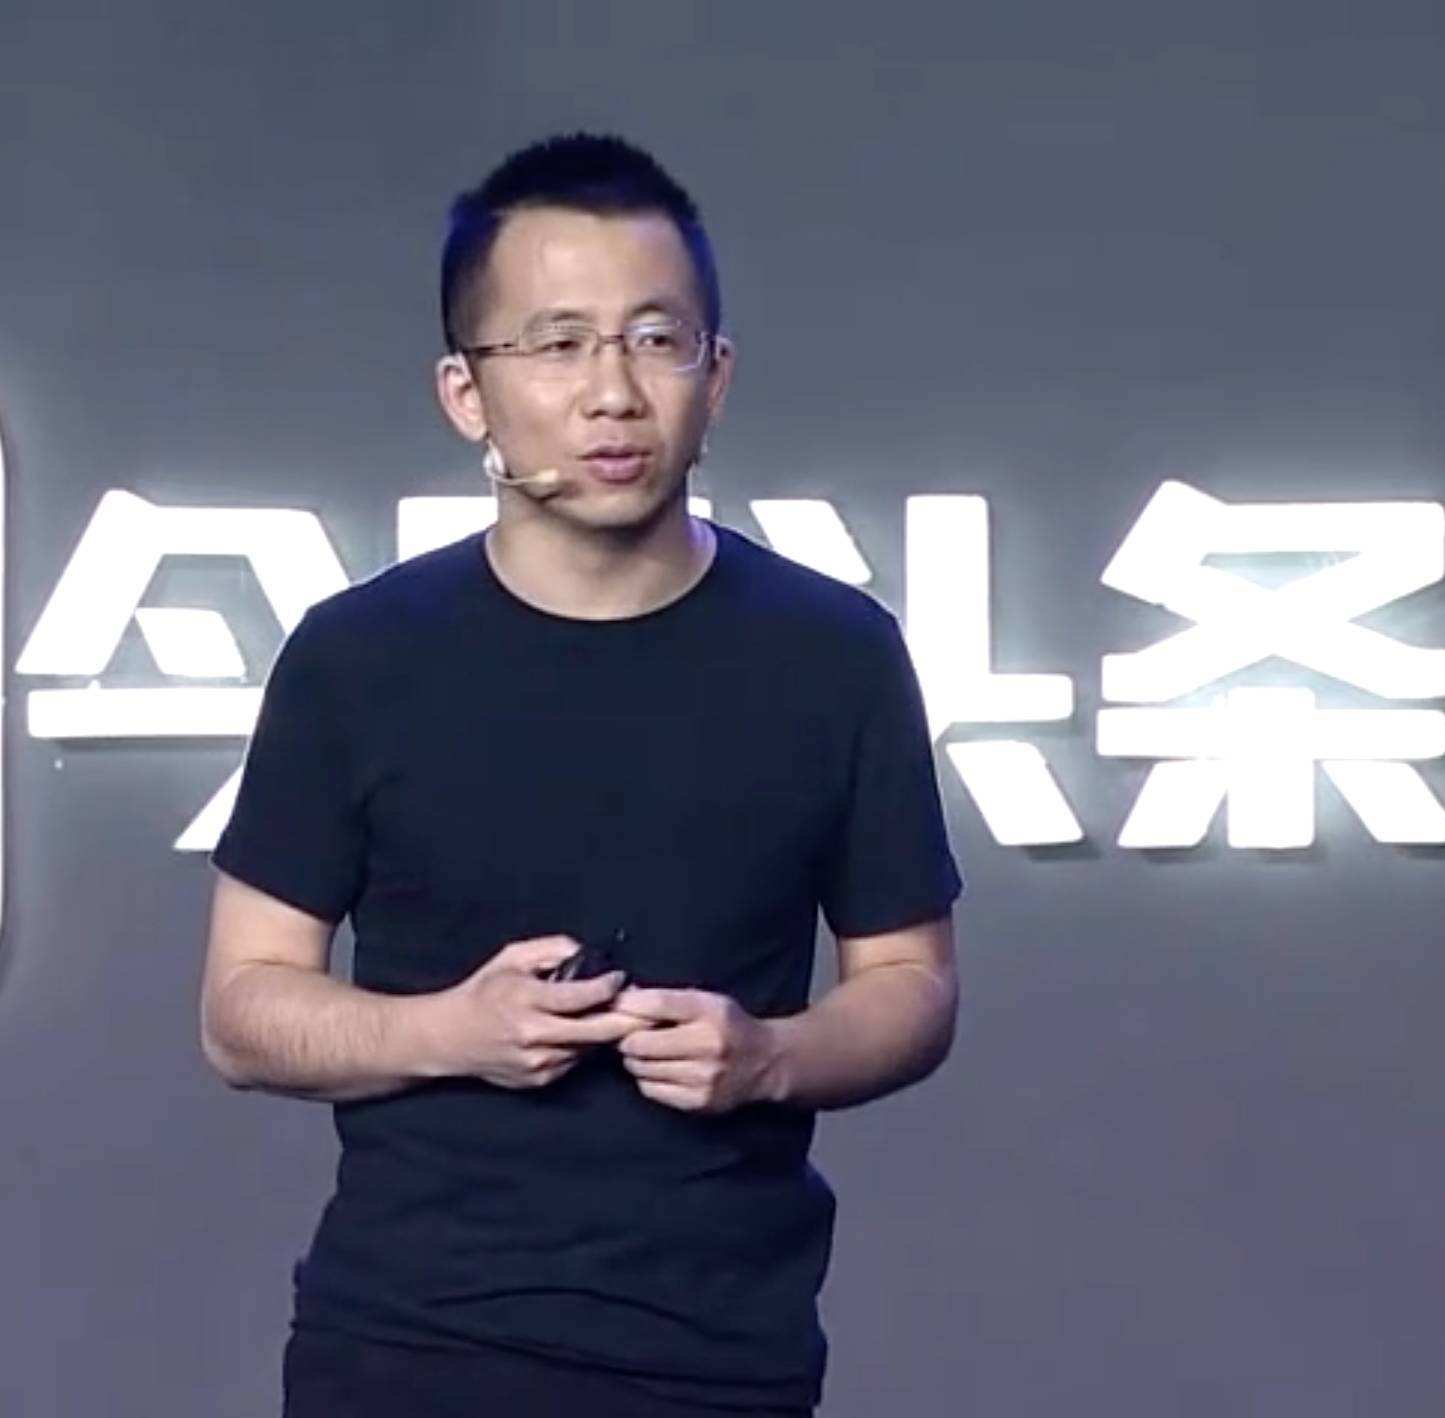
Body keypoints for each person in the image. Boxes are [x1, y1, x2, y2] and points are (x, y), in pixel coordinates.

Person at [200, 133, 962, 1417]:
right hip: (407, 1344)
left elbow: (912, 984)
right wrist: (448, 1031)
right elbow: (240, 1007)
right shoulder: (357, 657)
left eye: (656, 340)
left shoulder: (834, 654)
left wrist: (770, 1055)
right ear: (466, 392)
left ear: (716, 376)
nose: (612, 392)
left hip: (719, 1353)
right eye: (556, 344)